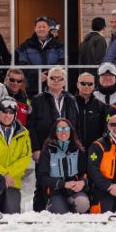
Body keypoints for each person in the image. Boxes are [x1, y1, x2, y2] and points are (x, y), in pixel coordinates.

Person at [28, 66, 80, 211]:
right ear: (47, 79)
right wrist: (36, 148)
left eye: (60, 78)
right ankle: (38, 212)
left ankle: (62, 206)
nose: (56, 81)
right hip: (45, 149)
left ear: (65, 81)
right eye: (53, 78)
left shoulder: (71, 99)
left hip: (66, 149)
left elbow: (76, 124)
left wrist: (76, 145)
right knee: (42, 181)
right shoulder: (38, 100)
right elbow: (31, 126)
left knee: (65, 178)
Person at [35, 117, 90, 213]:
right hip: (55, 191)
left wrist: (82, 182)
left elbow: (85, 173)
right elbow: (42, 177)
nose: (63, 132)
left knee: (83, 204)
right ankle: (52, 206)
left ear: (71, 131)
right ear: (55, 132)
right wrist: (63, 184)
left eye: (66, 129)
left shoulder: (78, 149)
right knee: (61, 213)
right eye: (59, 129)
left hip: (74, 190)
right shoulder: (47, 150)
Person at [15, 16, 65, 95]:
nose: (41, 29)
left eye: (44, 27)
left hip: (55, 84)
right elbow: (22, 64)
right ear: (35, 29)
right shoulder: (26, 46)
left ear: (48, 28)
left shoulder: (59, 45)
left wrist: (50, 74)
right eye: (39, 27)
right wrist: (37, 75)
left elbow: (63, 61)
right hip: (33, 86)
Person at [73, 72, 111, 149]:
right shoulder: (69, 103)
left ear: (94, 86)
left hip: (94, 151)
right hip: (73, 150)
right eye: (83, 83)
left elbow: (105, 130)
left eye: (90, 84)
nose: (86, 86)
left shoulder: (101, 106)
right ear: (77, 84)